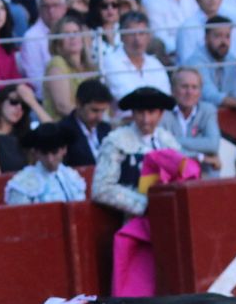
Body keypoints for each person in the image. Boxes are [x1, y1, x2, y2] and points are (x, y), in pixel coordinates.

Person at [93, 84, 179, 216]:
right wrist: (146, 205)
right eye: (140, 112)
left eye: (151, 113)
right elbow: (101, 189)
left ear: (160, 114)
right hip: (131, 220)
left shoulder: (168, 141)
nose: (146, 120)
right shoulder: (117, 141)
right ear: (132, 113)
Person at [3, 119, 84, 201]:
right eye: (44, 153)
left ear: (64, 149)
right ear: (35, 153)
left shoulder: (72, 177)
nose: (50, 159)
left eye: (54, 152)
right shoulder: (22, 184)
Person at [0, 81, 43, 173]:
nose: (19, 108)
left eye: (24, 106)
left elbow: (56, 136)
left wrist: (33, 103)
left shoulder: (23, 135)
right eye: (14, 102)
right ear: (0, 103)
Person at [101, 8, 170, 97]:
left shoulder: (155, 64)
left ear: (148, 37)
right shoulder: (110, 61)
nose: (137, 39)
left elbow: (166, 96)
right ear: (122, 36)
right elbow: (123, 96)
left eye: (141, 34)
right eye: (132, 34)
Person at [163, 65, 219, 168]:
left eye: (194, 87)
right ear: (172, 90)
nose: (189, 92)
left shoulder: (208, 110)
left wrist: (174, 140)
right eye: (184, 86)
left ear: (200, 92)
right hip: (173, 171)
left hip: (203, 173)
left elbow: (213, 145)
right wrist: (199, 157)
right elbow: (163, 149)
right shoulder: (164, 113)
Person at [58, 76, 110, 166]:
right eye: (95, 110)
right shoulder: (62, 132)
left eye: (103, 111)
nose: (99, 117)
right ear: (79, 104)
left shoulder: (105, 129)